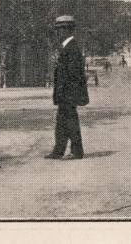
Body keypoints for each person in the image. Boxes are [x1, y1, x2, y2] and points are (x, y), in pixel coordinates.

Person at [44, 15, 89, 160]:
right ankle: (59, 151)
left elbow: (73, 75)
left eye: (59, 30)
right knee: (63, 122)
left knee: (70, 122)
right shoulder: (68, 47)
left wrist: (66, 94)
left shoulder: (72, 48)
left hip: (68, 93)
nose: (57, 33)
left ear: (67, 30)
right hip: (66, 93)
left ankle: (76, 151)